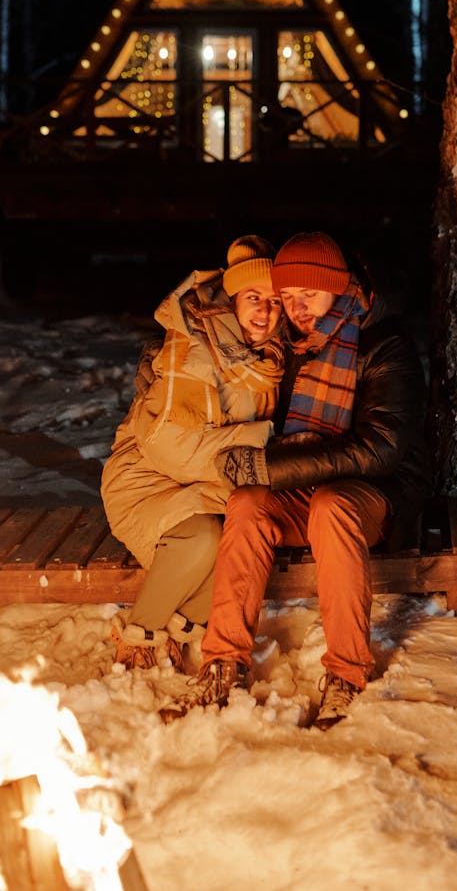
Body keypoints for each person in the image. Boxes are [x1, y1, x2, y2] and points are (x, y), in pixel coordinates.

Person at [160, 231, 432, 728]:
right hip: (301, 485)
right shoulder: (291, 347)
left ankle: (347, 673)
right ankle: (222, 662)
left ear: (337, 286)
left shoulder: (384, 344)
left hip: (376, 492)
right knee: (246, 503)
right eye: (289, 297)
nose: (297, 307)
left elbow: (381, 448)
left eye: (309, 294)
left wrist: (272, 467)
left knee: (331, 506)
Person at [100, 235, 284, 670]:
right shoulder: (197, 350)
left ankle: (180, 629)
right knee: (205, 536)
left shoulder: (265, 355)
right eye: (254, 297)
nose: (265, 310)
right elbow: (172, 449)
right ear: (231, 300)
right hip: (145, 478)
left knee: (241, 537)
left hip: (201, 480)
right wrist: (259, 441)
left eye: (275, 301)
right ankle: (138, 633)